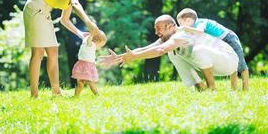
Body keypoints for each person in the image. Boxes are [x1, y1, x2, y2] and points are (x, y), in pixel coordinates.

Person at [100, 14, 239, 91]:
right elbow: (147, 49)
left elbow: (160, 50)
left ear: (172, 27)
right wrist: (119, 58)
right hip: (214, 63)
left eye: (159, 28)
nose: (156, 32)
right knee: (173, 53)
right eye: (155, 29)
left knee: (196, 50)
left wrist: (134, 57)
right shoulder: (170, 37)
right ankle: (199, 87)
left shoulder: (182, 33)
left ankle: (212, 89)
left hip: (229, 61)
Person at [23, 0, 104, 98]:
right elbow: (76, 4)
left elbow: (64, 20)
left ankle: (56, 93)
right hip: (35, 9)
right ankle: (34, 95)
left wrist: (81, 33)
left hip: (44, 13)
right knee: (37, 53)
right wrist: (89, 23)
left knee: (53, 52)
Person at [176, 8, 249, 90]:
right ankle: (234, 88)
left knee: (241, 64)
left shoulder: (200, 22)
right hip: (220, 43)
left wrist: (184, 28)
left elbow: (200, 31)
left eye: (181, 24)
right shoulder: (193, 27)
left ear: (188, 20)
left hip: (229, 38)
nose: (180, 26)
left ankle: (245, 88)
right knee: (233, 63)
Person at [71, 31, 107, 97]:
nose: (100, 47)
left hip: (85, 65)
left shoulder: (86, 42)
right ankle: (76, 96)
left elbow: (87, 38)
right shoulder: (90, 44)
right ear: (97, 41)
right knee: (82, 83)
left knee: (88, 83)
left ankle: (97, 96)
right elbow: (89, 39)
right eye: (101, 45)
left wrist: (91, 35)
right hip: (85, 65)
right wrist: (92, 34)